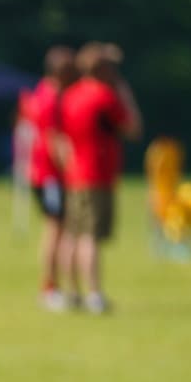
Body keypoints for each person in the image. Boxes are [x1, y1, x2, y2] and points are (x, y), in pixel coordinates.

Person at [57, 43, 140, 314]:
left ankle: (71, 291)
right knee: (90, 236)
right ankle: (94, 294)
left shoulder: (70, 95)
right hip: (97, 174)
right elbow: (132, 128)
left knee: (72, 233)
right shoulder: (104, 96)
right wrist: (124, 92)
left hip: (74, 173)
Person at [19, 46, 78, 310]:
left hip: (42, 171)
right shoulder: (52, 96)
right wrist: (72, 171)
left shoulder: (41, 91)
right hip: (50, 173)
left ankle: (59, 285)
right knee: (55, 229)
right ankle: (50, 287)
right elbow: (54, 138)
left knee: (59, 228)